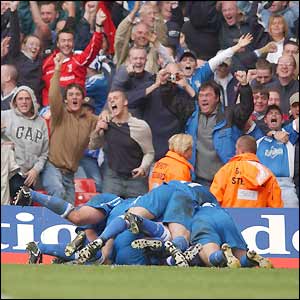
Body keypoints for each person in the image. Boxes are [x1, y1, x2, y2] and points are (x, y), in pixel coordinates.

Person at [76, 180, 218, 266]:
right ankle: (170, 250)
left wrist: (104, 249)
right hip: (185, 195)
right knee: (180, 235)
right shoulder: (209, 202)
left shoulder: (110, 203)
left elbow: (82, 221)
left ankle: (102, 242)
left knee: (129, 217)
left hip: (163, 189)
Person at [41, 53, 99, 204]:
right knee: (58, 193)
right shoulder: (59, 113)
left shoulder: (90, 118)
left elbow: (104, 124)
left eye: (78, 94)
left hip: (70, 173)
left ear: (82, 98)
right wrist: (58, 69)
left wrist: (105, 116)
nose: (74, 97)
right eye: (71, 94)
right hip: (52, 166)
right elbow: (54, 95)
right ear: (66, 99)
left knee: (70, 208)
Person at [186, 71, 254, 187]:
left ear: (217, 98)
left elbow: (246, 108)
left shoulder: (229, 115)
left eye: (207, 95)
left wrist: (244, 86)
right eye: (201, 96)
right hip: (198, 181)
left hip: (226, 181)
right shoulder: (192, 115)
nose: (203, 99)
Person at [89, 89, 154, 198]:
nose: (112, 101)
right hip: (112, 177)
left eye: (116, 98)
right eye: (109, 100)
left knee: (136, 212)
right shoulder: (106, 123)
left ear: (125, 102)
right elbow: (93, 146)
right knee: (107, 209)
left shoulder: (140, 126)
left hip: (135, 180)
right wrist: (97, 130)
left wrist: (143, 168)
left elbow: (149, 152)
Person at [41, 8, 107, 107]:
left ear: (73, 43)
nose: (66, 44)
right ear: (58, 44)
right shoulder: (47, 61)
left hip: (74, 108)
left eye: (69, 41)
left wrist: (98, 26)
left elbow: (94, 48)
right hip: (51, 109)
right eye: (63, 41)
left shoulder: (79, 59)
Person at [188, 202, 273, 268]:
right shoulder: (214, 204)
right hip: (225, 216)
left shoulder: (189, 207)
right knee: (239, 257)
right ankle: (249, 257)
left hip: (203, 219)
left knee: (209, 257)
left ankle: (223, 255)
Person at [1, 86, 49, 203]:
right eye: (20, 99)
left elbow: (44, 153)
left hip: (29, 175)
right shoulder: (5, 116)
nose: (24, 102)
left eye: (27, 99)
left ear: (32, 100)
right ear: (15, 101)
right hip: (11, 172)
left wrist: (35, 170)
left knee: (26, 204)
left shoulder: (41, 122)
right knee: (21, 197)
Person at [210, 135, 283, 208]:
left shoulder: (226, 170)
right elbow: (276, 206)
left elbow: (214, 200)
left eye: (236, 149)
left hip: (229, 217)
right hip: (257, 218)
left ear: (241, 151)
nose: (235, 152)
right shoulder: (267, 174)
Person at [256, 104, 299, 207]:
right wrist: (272, 133)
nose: (274, 115)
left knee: (293, 220)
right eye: (270, 113)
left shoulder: (288, 134)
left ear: (282, 120)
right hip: (263, 186)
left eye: (277, 114)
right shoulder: (258, 141)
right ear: (265, 120)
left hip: (286, 186)